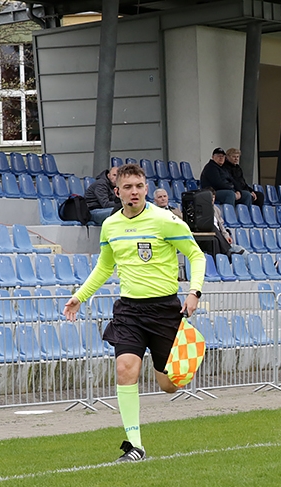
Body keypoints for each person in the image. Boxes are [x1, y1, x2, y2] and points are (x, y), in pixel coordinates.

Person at [62, 164, 206, 462]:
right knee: (126, 370)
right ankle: (135, 445)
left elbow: (196, 254)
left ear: (146, 188)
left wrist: (194, 292)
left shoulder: (164, 220)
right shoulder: (111, 226)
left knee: (168, 385)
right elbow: (104, 267)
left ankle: (190, 352)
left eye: (139, 186)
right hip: (128, 310)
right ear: (118, 192)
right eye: (128, 187)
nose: (134, 192)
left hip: (165, 309)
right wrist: (80, 297)